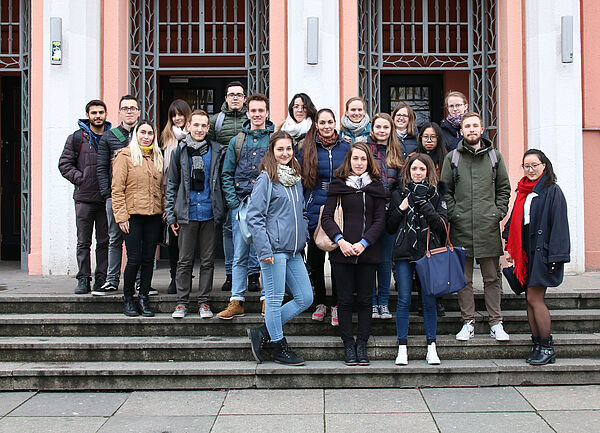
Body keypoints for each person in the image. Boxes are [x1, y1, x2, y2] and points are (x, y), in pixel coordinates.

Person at [440, 112, 512, 341]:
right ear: (461, 131)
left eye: (475, 126)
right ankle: (468, 322)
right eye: (467, 126)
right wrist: (454, 213)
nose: (471, 130)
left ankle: (496, 323)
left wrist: (497, 213)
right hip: (461, 227)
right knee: (464, 280)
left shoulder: (495, 157)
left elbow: (504, 189)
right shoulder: (453, 158)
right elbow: (445, 191)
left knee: (492, 278)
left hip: (487, 226)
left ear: (482, 130)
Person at [246, 130, 313, 365]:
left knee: (305, 297)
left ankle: (264, 332)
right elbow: (254, 217)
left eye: (288, 149)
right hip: (273, 250)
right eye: (280, 149)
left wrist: (302, 234)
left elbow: (301, 211)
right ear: (272, 152)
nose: (285, 153)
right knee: (274, 300)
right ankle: (278, 346)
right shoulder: (266, 178)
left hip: (294, 250)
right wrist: (264, 251)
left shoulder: (294, 176)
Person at [321, 142, 386, 366]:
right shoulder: (338, 186)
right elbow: (327, 218)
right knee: (345, 300)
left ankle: (362, 344)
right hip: (342, 254)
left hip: (368, 253)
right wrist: (341, 241)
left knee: (367, 301)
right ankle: (348, 344)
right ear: (349, 160)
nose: (359, 163)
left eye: (363, 159)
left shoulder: (376, 188)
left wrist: (365, 242)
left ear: (369, 162)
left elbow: (380, 220)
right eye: (355, 159)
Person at [503, 149, 570, 365]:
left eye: (535, 165)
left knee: (535, 299)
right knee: (529, 300)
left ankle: (547, 346)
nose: (530, 170)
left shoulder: (552, 191)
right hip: (526, 253)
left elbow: (559, 226)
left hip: (543, 253)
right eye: (526, 166)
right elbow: (515, 220)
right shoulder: (523, 191)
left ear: (544, 166)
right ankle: (538, 345)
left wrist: (556, 257)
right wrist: (509, 246)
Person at [217, 93, 274, 319]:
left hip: (268, 207)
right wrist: (232, 203)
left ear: (267, 112)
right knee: (239, 255)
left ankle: (267, 299)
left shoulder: (274, 139)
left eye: (261, 110)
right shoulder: (237, 141)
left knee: (265, 253)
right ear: (247, 112)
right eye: (253, 111)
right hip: (241, 205)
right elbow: (227, 173)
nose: (257, 114)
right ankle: (236, 300)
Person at [386, 153, 447, 365]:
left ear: (428, 171)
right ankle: (402, 347)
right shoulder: (399, 194)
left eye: (422, 169)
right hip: (404, 253)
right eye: (414, 169)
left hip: (428, 254)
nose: (418, 173)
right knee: (403, 300)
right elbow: (390, 226)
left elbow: (442, 226)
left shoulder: (437, 195)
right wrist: (401, 208)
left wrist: (425, 205)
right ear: (408, 172)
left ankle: (432, 345)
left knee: (428, 301)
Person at [166, 110, 226, 319]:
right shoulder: (179, 151)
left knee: (208, 261)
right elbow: (172, 184)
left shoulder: (216, 151)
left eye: (204, 126)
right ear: (188, 127)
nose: (199, 129)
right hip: (187, 212)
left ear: (208, 128)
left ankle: (204, 302)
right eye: (196, 125)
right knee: (184, 260)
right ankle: (182, 303)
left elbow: (220, 181)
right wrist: (171, 214)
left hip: (209, 212)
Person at [207, 81, 260, 293]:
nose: (235, 98)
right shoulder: (215, 122)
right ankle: (230, 273)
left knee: (254, 230)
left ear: (245, 98)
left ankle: (253, 274)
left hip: (253, 185)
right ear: (226, 98)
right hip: (226, 184)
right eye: (231, 95)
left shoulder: (254, 120)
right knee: (229, 230)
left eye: (239, 94)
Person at [298, 109, 349, 326]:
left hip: (339, 209)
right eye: (322, 122)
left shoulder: (346, 147)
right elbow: (300, 181)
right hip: (314, 209)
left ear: (335, 123)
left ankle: (336, 304)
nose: (327, 126)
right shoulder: (306, 148)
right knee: (316, 261)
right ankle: (320, 301)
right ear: (316, 125)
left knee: (338, 261)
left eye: (330, 122)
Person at [111, 120, 164, 317]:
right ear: (136, 134)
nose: (146, 136)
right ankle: (128, 298)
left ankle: (143, 297)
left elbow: (161, 188)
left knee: (148, 259)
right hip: (132, 216)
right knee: (133, 259)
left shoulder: (157, 156)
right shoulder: (124, 156)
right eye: (142, 132)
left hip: (153, 215)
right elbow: (117, 189)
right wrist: (121, 216)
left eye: (150, 133)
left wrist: (164, 208)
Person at [58, 99, 111, 294]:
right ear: (88, 115)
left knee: (104, 242)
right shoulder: (77, 138)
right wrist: (81, 179)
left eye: (101, 112)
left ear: (106, 114)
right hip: (84, 198)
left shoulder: (112, 136)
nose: (98, 116)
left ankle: (101, 279)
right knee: (83, 242)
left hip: (106, 198)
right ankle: (83, 279)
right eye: (94, 113)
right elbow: (64, 164)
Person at [96, 94, 141, 295]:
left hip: (139, 197)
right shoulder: (110, 136)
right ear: (120, 112)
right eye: (125, 108)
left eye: (133, 108)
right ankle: (112, 279)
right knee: (114, 238)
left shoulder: (145, 133)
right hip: (115, 196)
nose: (129, 111)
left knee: (137, 240)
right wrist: (107, 194)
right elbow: (102, 168)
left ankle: (139, 280)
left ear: (139, 112)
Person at [368, 113, 404, 320]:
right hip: (369, 212)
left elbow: (400, 183)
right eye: (378, 127)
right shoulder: (365, 150)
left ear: (391, 130)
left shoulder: (397, 152)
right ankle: (372, 302)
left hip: (390, 213)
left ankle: (383, 302)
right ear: (372, 129)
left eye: (385, 127)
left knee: (385, 260)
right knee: (370, 259)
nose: (381, 131)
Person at [160, 99, 192, 294]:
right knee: (174, 239)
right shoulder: (165, 139)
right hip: (171, 195)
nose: (178, 118)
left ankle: (186, 277)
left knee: (188, 242)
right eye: (174, 115)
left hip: (189, 197)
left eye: (181, 114)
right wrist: (165, 201)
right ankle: (175, 277)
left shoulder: (194, 137)